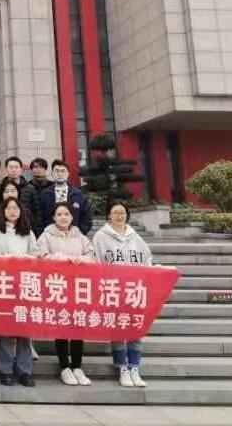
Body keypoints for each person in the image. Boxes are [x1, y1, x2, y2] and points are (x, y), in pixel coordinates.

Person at [93, 199, 153, 388]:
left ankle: (134, 367)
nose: (119, 216)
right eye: (115, 212)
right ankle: (122, 367)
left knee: (135, 329)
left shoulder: (136, 237)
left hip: (134, 290)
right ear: (108, 215)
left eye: (122, 213)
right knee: (118, 329)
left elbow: (147, 260)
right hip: (113, 290)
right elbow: (96, 262)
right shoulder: (100, 237)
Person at [37, 202, 95, 387]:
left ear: (72, 217)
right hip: (57, 287)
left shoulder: (80, 236)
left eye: (66, 214)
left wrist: (81, 260)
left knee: (78, 326)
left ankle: (77, 366)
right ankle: (64, 367)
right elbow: (42, 257)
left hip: (78, 288)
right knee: (61, 325)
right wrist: (65, 259)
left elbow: (92, 256)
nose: (63, 217)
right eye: (59, 214)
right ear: (53, 217)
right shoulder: (46, 236)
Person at [0, 198, 38, 387]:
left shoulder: (28, 231)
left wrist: (24, 259)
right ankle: (5, 370)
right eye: (9, 208)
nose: (12, 211)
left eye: (16, 208)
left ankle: (24, 371)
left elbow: (36, 255)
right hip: (4, 285)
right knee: (6, 329)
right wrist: (6, 259)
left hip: (24, 285)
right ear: (3, 210)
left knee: (24, 330)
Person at [38, 160, 93, 236]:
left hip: (74, 236)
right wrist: (45, 233)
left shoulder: (78, 194)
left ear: (68, 174)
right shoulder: (44, 194)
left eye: (63, 171)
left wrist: (79, 232)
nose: (60, 174)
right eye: (57, 171)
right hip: (50, 236)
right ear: (52, 174)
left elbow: (87, 217)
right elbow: (39, 217)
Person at [1, 156, 40, 226]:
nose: (13, 170)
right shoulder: (1, 188)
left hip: (26, 225)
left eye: (16, 167)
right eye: (11, 167)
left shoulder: (30, 188)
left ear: (21, 170)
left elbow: (37, 212)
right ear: (6, 169)